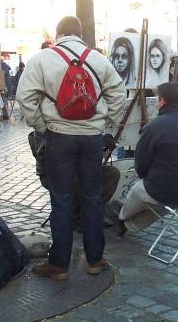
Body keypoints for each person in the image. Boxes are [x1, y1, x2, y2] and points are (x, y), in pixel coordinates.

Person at [17, 16, 126, 280]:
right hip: (91, 138)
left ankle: (59, 265)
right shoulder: (98, 59)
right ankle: (95, 260)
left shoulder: (43, 59)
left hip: (59, 136)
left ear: (58, 34)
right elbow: (119, 95)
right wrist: (106, 125)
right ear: (80, 34)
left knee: (62, 201)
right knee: (92, 198)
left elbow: (25, 96)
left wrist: (42, 125)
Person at [105, 82, 178, 235]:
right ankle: (126, 225)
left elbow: (141, 164)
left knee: (143, 192)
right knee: (159, 203)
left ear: (162, 101)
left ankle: (121, 217)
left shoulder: (155, 126)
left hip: (163, 190)